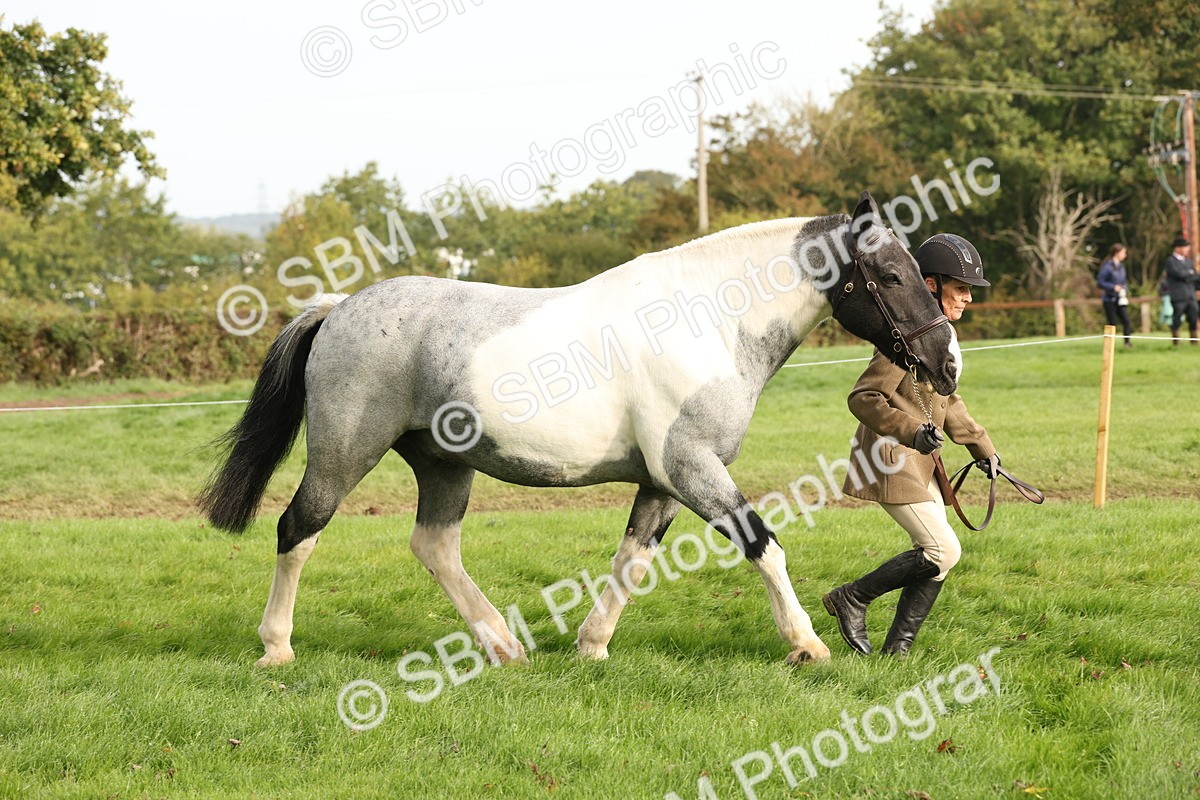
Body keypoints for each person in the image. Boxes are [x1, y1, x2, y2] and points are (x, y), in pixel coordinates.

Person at [823, 233, 997, 658]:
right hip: (889, 460)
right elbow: (864, 397)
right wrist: (911, 430)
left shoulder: (938, 334)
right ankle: (852, 597)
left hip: (918, 463)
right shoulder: (902, 336)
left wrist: (983, 449)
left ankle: (897, 651)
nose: (968, 298)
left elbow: (946, 398)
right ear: (931, 285)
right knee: (943, 549)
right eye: (961, 288)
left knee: (940, 555)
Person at [1164, 237, 1199, 346]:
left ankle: (1194, 340)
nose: (1187, 249)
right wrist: (1189, 274)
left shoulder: (1189, 262)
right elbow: (1178, 274)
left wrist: (1188, 275)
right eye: (1185, 247)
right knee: (1177, 318)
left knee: (1193, 317)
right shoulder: (1170, 261)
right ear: (1177, 248)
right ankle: (1176, 340)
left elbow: (1196, 276)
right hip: (1178, 295)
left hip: (1190, 294)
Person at [1097, 244, 1133, 348]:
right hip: (1109, 299)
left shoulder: (1121, 267)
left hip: (1120, 299)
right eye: (1123, 253)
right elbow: (1100, 282)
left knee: (1126, 321)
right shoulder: (1107, 267)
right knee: (1112, 323)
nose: (1125, 255)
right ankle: (1109, 346)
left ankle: (1127, 343)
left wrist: (1124, 289)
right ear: (1116, 253)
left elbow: (1124, 281)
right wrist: (1113, 287)